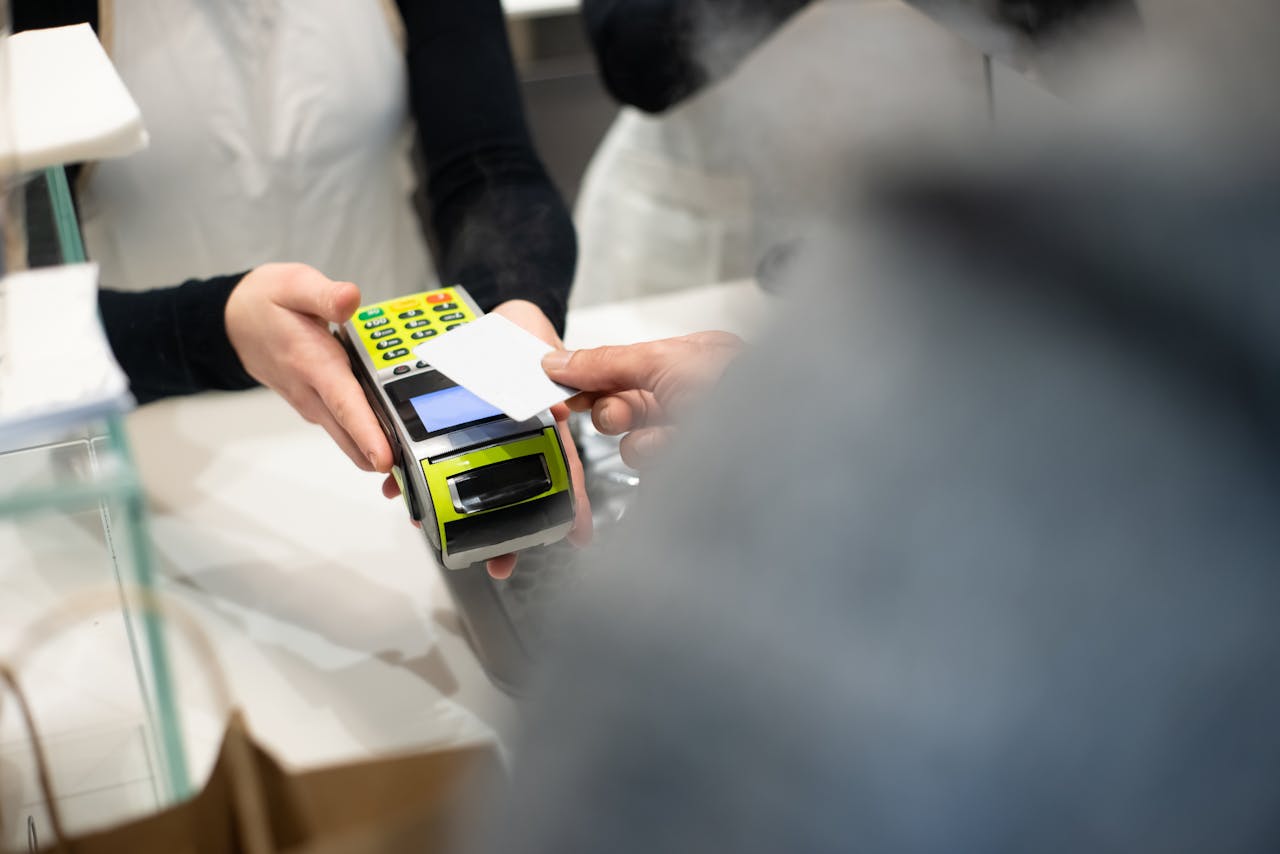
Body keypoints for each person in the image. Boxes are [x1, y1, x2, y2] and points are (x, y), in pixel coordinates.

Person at [12, 0, 593, 563]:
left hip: (403, 411)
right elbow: (22, 309)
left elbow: (487, 164)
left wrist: (515, 299)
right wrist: (215, 329)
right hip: (155, 436)